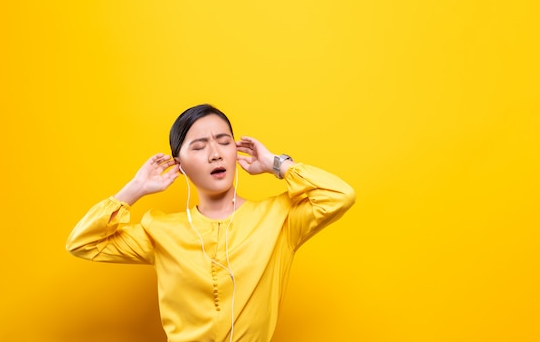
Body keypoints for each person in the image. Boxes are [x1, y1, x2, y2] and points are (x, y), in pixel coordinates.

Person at [66, 104, 356, 342]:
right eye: (199, 146)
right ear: (178, 164)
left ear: (235, 151)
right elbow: (83, 243)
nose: (215, 153)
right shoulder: (160, 231)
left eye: (224, 141)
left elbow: (340, 196)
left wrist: (277, 165)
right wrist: (136, 188)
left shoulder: (279, 219)